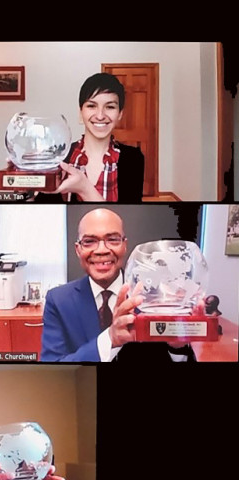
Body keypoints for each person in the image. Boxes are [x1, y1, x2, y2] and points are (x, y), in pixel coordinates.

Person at [41, 208, 198, 361]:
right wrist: (111, 339)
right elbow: (53, 365)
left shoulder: (154, 296)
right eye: (89, 241)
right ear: (78, 249)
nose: (101, 250)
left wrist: (177, 347)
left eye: (112, 239)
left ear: (124, 245)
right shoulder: (58, 300)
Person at [52, 73, 144, 202]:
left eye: (110, 107)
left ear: (120, 114)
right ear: (80, 113)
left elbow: (128, 218)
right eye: (91, 106)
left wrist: (84, 188)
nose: (100, 115)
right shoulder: (60, 157)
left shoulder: (134, 159)